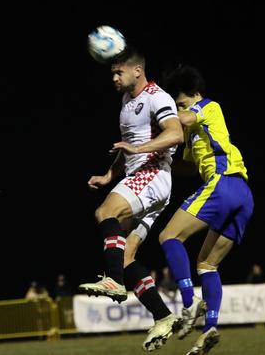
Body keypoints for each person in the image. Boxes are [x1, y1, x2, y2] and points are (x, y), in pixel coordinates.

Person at [77, 47, 184, 351]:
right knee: (125, 257)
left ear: (137, 70)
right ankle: (162, 316)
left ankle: (113, 281)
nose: (114, 77)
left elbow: (175, 133)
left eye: (118, 72)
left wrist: (138, 151)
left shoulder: (156, 97)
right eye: (112, 72)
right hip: (143, 181)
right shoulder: (126, 101)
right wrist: (110, 174)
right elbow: (128, 147)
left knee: (104, 212)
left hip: (153, 174)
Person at [158, 64, 254, 355]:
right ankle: (210, 326)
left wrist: (163, 117)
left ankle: (189, 303)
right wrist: (159, 159)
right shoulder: (193, 132)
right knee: (207, 266)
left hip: (223, 184)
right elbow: (187, 165)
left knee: (168, 237)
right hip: (242, 195)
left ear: (196, 95)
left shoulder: (208, 106)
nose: (179, 109)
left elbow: (186, 118)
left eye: (182, 103)